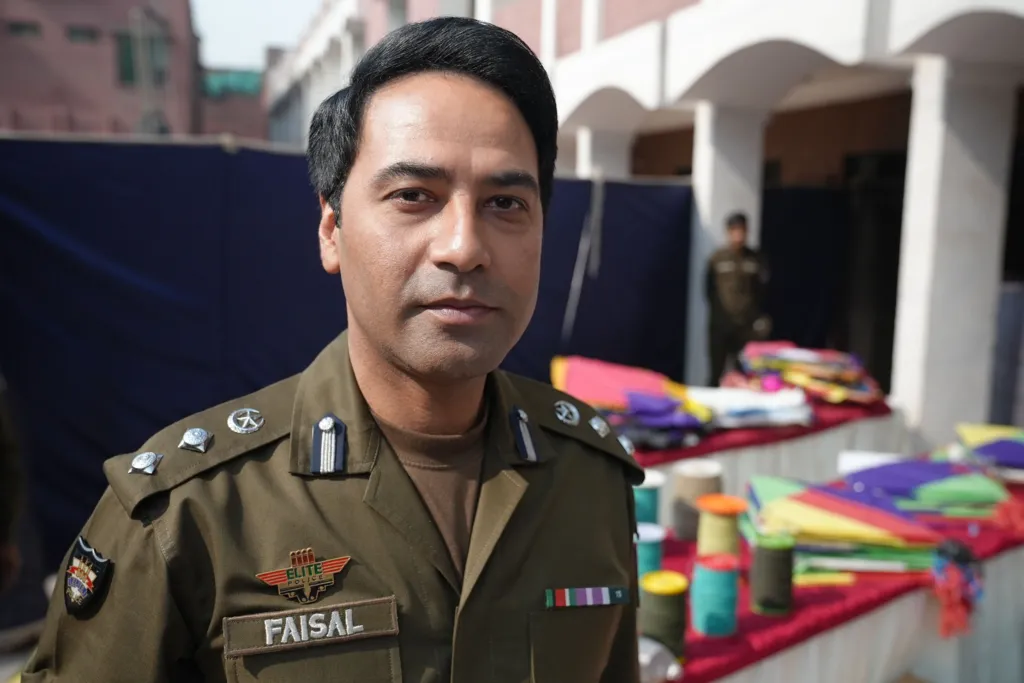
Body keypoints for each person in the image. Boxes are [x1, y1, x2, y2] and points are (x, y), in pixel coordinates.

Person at [23, 17, 643, 683]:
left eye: (504, 202)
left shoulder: (590, 479)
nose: (463, 245)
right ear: (331, 229)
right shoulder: (188, 517)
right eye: (414, 196)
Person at [704, 212, 771, 385]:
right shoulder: (717, 259)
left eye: (742, 231)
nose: (738, 235)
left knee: (743, 374)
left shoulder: (755, 259)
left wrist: (756, 318)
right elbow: (708, 290)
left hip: (745, 328)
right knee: (716, 373)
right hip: (721, 326)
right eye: (734, 230)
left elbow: (762, 291)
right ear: (728, 232)